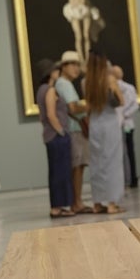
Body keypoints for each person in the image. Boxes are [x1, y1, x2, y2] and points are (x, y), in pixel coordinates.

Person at [85, 52, 125, 214]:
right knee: (112, 162)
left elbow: (88, 106)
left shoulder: (86, 82)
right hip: (109, 123)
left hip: (94, 123)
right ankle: (112, 202)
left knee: (96, 163)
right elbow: (121, 101)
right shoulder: (110, 80)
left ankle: (97, 202)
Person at [54, 51, 94, 214]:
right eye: (73, 64)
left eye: (78, 64)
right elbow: (73, 107)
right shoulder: (64, 84)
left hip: (75, 129)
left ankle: (76, 201)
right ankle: (77, 202)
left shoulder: (63, 83)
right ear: (64, 66)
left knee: (79, 166)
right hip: (74, 129)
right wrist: (90, 106)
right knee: (77, 166)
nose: (76, 68)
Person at [36, 59, 75, 218]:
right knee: (60, 171)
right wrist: (61, 131)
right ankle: (57, 207)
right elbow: (51, 114)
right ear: (49, 73)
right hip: (56, 136)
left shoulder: (41, 89)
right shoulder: (50, 90)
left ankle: (57, 206)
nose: (57, 71)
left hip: (50, 136)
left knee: (56, 171)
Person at [111, 65, 140, 188]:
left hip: (126, 124)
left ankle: (131, 177)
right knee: (122, 152)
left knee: (128, 151)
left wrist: (124, 115)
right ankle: (124, 178)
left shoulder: (128, 88)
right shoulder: (113, 88)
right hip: (117, 123)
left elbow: (134, 105)